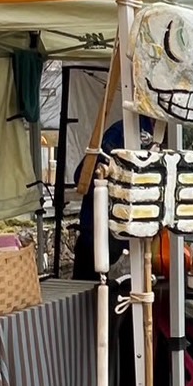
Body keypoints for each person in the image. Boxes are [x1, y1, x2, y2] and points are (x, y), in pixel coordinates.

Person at [71, 116, 154, 280]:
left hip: (126, 239)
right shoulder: (124, 133)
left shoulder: (152, 136)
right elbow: (83, 178)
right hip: (102, 235)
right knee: (89, 298)